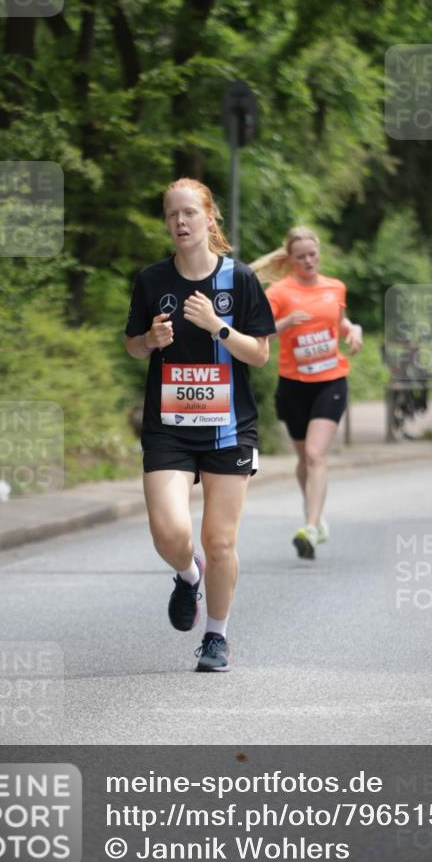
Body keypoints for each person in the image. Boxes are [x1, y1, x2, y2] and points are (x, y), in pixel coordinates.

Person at [124, 178, 276, 671]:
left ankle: (216, 637)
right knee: (169, 533)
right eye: (172, 215)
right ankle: (188, 576)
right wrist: (150, 338)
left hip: (229, 427)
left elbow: (259, 354)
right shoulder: (152, 281)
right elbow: (132, 345)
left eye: (190, 212)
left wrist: (218, 326)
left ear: (210, 218)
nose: (181, 222)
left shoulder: (241, 280)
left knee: (221, 540)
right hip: (168, 425)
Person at [252, 227, 362, 560]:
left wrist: (353, 330)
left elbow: (339, 322)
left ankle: (311, 528)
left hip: (331, 380)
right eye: (300, 257)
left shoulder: (335, 287)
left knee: (315, 454)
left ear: (319, 253)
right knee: (304, 458)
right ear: (290, 259)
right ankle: (315, 516)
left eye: (312, 254)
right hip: (293, 384)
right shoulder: (279, 292)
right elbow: (257, 336)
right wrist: (285, 324)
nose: (308, 261)